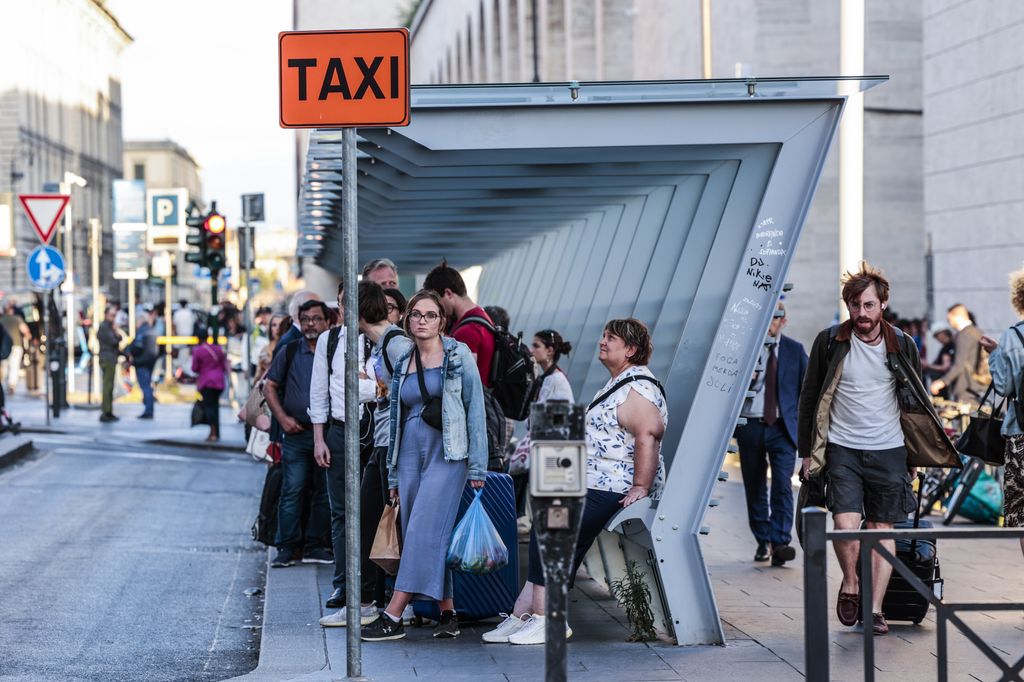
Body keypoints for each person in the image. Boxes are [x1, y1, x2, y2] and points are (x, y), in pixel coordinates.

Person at [483, 318, 667, 645]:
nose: (602, 342)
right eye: (603, 335)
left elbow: (648, 435)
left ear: (631, 349)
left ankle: (547, 618)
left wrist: (640, 485)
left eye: (611, 338)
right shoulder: (620, 383)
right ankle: (523, 614)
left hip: (611, 486)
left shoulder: (638, 389)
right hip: (593, 482)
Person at [797, 262, 957, 636]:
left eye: (868, 305)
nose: (861, 314)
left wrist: (914, 457)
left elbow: (916, 402)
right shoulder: (830, 341)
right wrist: (807, 452)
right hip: (842, 448)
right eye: (855, 305)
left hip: (888, 448)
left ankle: (875, 609)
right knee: (845, 523)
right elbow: (810, 398)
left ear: (883, 304)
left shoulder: (902, 343)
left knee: (882, 526)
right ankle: (852, 584)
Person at [360, 290, 488, 642]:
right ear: (407, 319)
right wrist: (393, 473)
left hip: (448, 453)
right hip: (409, 454)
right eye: (416, 314)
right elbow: (396, 417)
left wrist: (478, 467)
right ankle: (448, 612)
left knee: (421, 530)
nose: (422, 321)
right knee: (427, 532)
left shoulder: (458, 355)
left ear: (441, 321)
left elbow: (474, 409)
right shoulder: (402, 360)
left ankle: (394, 613)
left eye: (430, 315)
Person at [311, 281, 379, 625]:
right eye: (340, 304)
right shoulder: (329, 340)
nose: (344, 310)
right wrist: (319, 439)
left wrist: (365, 384)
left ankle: (373, 588)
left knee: (373, 512)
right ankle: (343, 584)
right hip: (339, 431)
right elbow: (320, 392)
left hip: (372, 434)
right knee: (341, 514)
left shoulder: (381, 340)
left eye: (349, 303)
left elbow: (379, 389)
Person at [734, 303, 807, 566]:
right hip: (750, 425)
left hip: (782, 428)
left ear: (784, 321)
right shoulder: (747, 350)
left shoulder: (795, 350)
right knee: (754, 486)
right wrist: (749, 378)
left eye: (776, 317)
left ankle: (780, 542)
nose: (770, 322)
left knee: (782, 485)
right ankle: (763, 540)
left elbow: (807, 390)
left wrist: (802, 425)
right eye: (767, 316)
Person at [264, 299, 333, 568]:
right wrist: (282, 418)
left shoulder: (334, 351)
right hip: (295, 432)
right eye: (305, 320)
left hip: (327, 432)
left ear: (327, 322)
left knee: (324, 492)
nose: (311, 324)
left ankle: (315, 544)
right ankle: (287, 547)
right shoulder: (290, 350)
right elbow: (269, 386)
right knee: (292, 490)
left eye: (316, 319)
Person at [979, 268, 1024, 559]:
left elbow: (1004, 385)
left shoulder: (1013, 336)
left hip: (1020, 435)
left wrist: (995, 354)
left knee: (1023, 517)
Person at [423, 260, 494, 386]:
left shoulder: (467, 331)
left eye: (437, 301)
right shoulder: (482, 317)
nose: (437, 307)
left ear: (448, 293)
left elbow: (460, 381)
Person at [930, 303, 989, 403]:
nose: (950, 323)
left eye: (949, 319)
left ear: (957, 317)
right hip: (979, 386)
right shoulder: (977, 331)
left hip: (967, 388)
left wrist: (943, 381)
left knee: (966, 418)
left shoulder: (964, 334)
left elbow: (959, 364)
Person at [192, 327, 228, 441]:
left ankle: (212, 433)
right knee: (215, 407)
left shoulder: (198, 350)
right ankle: (217, 433)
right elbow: (223, 365)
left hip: (207, 382)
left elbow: (194, 368)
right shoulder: (217, 348)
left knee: (209, 407)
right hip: (219, 382)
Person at [129, 304, 159, 420]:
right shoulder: (152, 330)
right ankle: (149, 409)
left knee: (145, 387)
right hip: (150, 361)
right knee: (148, 386)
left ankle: (148, 410)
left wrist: (130, 353)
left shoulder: (142, 331)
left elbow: (137, 347)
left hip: (142, 362)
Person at [97, 305, 122, 423]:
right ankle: (106, 411)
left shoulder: (108, 326)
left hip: (110, 358)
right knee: (107, 386)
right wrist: (117, 333)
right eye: (112, 315)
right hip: (108, 359)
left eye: (115, 315)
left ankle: (108, 410)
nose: (114, 317)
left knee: (110, 386)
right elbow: (114, 341)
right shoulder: (105, 327)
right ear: (106, 314)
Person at [0, 303, 29, 394]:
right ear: (11, 311)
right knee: (14, 365)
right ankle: (11, 385)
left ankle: (2, 383)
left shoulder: (1, 320)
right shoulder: (17, 319)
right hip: (16, 345)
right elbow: (25, 330)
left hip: (2, 347)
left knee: (4, 365)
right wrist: (27, 337)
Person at [173, 300, 195, 379]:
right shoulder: (190, 313)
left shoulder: (177, 313)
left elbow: (174, 326)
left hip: (179, 337)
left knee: (180, 357)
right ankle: (182, 373)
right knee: (185, 356)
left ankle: (180, 373)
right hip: (189, 338)